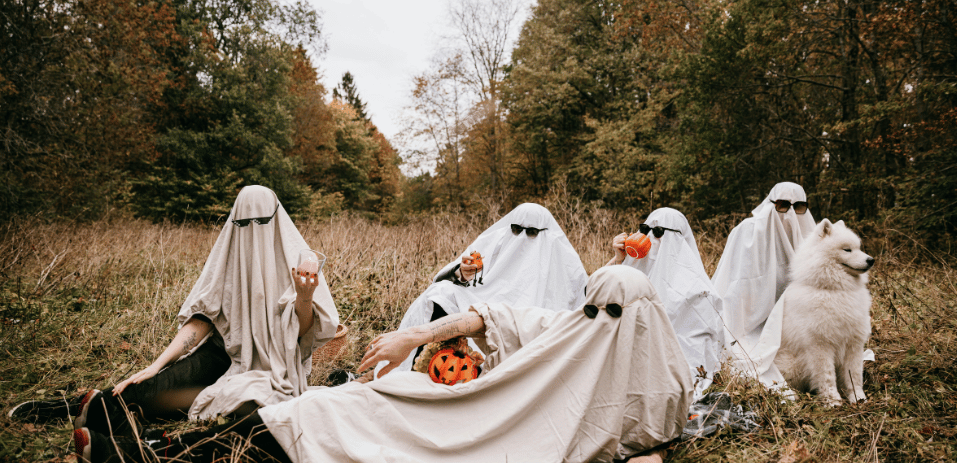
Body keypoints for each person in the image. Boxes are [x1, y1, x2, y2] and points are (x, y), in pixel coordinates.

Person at [75, 266, 693, 463]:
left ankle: (146, 457)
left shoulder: (664, 382)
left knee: (337, 429)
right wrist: (416, 334)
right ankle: (152, 452)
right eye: (592, 305)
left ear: (642, 317)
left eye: (608, 310)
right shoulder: (572, 329)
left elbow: (652, 441)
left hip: (503, 448)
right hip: (465, 409)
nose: (595, 318)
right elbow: (489, 316)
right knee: (332, 405)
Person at [10, 185, 341, 437]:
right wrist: (156, 365)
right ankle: (72, 406)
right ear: (234, 222)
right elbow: (203, 319)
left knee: (248, 411)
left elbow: (303, 334)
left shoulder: (299, 262)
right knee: (149, 389)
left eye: (260, 222)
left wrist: (304, 298)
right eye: (244, 222)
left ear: (276, 221)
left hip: (275, 365)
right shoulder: (228, 255)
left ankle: (104, 416)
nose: (251, 230)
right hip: (224, 353)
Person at [389, 202, 588, 374]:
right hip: (486, 298)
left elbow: (582, 289)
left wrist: (618, 261)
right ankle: (421, 365)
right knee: (440, 293)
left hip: (531, 312)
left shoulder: (558, 249)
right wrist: (464, 272)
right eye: (517, 230)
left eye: (531, 233)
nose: (522, 237)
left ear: (543, 231)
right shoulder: (500, 237)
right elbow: (465, 269)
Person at [607, 208, 725, 398]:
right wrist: (618, 259)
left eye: (659, 232)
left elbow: (694, 351)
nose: (651, 238)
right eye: (646, 229)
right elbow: (594, 296)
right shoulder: (633, 272)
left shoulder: (697, 291)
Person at [710, 182, 816, 387]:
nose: (791, 214)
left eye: (799, 207)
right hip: (751, 316)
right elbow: (737, 281)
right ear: (771, 204)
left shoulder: (810, 235)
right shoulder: (748, 231)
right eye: (783, 205)